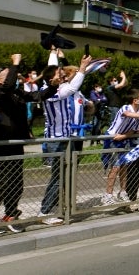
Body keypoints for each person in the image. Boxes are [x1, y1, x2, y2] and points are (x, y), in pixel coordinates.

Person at [0, 54, 58, 235]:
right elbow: (8, 85)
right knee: (2, 182)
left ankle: (10, 215)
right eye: (7, 73)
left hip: (16, 144)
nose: (14, 75)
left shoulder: (15, 93)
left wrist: (53, 85)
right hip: (1, 144)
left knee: (16, 182)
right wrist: (15, 63)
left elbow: (37, 95)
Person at [38, 56, 92, 226]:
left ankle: (55, 208)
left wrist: (54, 52)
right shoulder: (48, 91)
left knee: (62, 177)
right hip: (56, 140)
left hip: (65, 138)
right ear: (50, 78)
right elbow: (71, 88)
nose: (62, 76)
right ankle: (45, 211)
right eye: (58, 74)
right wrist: (82, 67)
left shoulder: (58, 87)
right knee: (57, 177)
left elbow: (72, 87)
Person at [101, 89, 139, 206]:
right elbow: (128, 115)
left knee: (124, 167)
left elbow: (134, 130)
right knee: (115, 167)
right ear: (135, 100)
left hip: (123, 139)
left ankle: (123, 191)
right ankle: (108, 194)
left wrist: (123, 136)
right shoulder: (126, 108)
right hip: (112, 138)